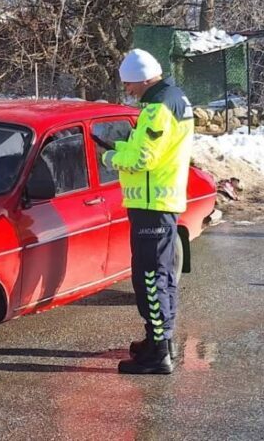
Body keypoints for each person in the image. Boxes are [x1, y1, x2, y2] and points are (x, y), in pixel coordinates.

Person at [102, 49, 194, 375]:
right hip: (158, 202)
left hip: (152, 204)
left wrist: (111, 158)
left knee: (150, 278)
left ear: (143, 79)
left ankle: (158, 354)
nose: (127, 90)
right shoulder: (174, 98)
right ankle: (158, 341)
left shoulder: (157, 109)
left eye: (129, 84)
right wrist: (122, 147)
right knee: (162, 276)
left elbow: (143, 160)